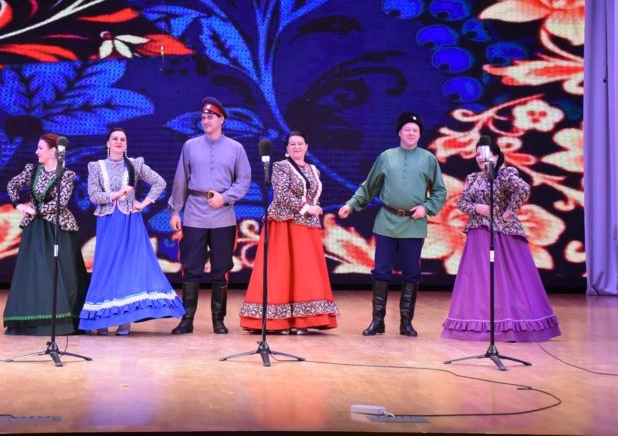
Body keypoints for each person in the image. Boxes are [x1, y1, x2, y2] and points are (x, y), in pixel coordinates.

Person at [338, 112, 447, 338]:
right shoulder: (386, 157)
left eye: (415, 131)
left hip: (414, 224)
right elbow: (369, 186)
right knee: (381, 272)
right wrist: (351, 204)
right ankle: (377, 321)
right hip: (387, 221)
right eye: (407, 130)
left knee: (411, 273)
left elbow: (439, 191)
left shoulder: (428, 159)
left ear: (420, 134)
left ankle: (406, 323)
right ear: (399, 133)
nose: (411, 133)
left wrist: (426, 208)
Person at [442, 136, 561, 342]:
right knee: (480, 278)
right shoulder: (473, 178)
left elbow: (523, 189)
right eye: (477, 154)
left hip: (503, 233)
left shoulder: (505, 174)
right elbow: (462, 203)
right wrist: (477, 208)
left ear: (496, 156)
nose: (480, 158)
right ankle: (480, 325)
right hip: (479, 233)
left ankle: (513, 325)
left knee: (508, 277)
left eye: (485, 153)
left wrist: (509, 211)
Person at [79, 128, 184, 335]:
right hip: (108, 222)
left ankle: (124, 320)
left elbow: (160, 182)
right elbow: (93, 195)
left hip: (130, 222)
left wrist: (144, 203)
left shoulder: (135, 164)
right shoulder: (97, 166)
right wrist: (118, 194)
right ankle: (102, 319)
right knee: (106, 267)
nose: (119, 142)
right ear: (108, 143)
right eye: (115, 138)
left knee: (127, 268)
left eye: (122, 139)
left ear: (126, 144)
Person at [239, 131, 339, 333]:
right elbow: (282, 194)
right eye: (292, 144)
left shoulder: (313, 169)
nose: (296, 147)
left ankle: (304, 320)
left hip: (307, 225)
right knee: (281, 270)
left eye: (300, 143)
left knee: (305, 271)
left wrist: (314, 208)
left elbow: (311, 194)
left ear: (307, 146)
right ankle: (279, 320)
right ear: (286, 148)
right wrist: (307, 208)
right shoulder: (280, 167)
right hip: (284, 223)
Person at [168, 96, 252, 335]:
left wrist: (224, 198)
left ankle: (218, 320)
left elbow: (244, 180)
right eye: (203, 117)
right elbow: (181, 179)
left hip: (223, 216)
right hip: (194, 214)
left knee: (220, 269)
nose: (206, 121)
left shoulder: (236, 148)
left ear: (221, 119)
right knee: (190, 268)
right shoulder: (190, 146)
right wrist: (175, 210)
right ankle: (187, 320)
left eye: (211, 117)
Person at [2, 133, 88, 336]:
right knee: (35, 273)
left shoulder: (66, 174)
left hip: (59, 228)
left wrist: (37, 210)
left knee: (63, 273)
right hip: (36, 229)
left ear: (53, 151)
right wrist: (19, 205)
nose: (36, 152)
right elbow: (11, 185)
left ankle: (65, 320)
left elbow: (61, 202)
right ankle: (32, 321)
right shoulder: (32, 170)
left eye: (40, 148)